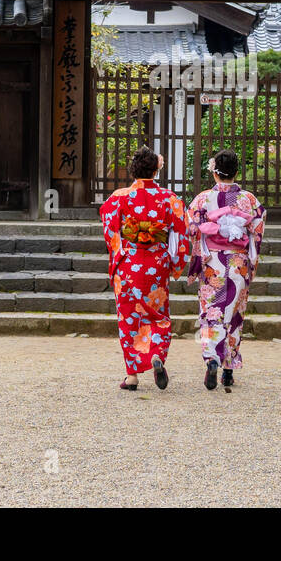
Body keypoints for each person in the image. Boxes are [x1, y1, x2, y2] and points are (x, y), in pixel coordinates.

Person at [99, 146, 190, 391]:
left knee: (129, 318)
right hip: (156, 265)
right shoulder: (170, 199)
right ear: (157, 169)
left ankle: (132, 376)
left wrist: (119, 254)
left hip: (129, 264)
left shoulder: (118, 197)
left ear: (133, 169)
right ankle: (156, 355)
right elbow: (181, 232)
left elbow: (110, 230)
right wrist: (176, 263)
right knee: (157, 314)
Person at [185, 148, 267, 390]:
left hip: (213, 261)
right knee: (233, 312)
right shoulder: (249, 200)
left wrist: (201, 250)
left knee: (211, 311)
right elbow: (257, 230)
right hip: (238, 262)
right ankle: (228, 370)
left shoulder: (202, 199)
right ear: (236, 171)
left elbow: (191, 227)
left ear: (214, 172)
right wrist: (251, 261)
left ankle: (212, 359)